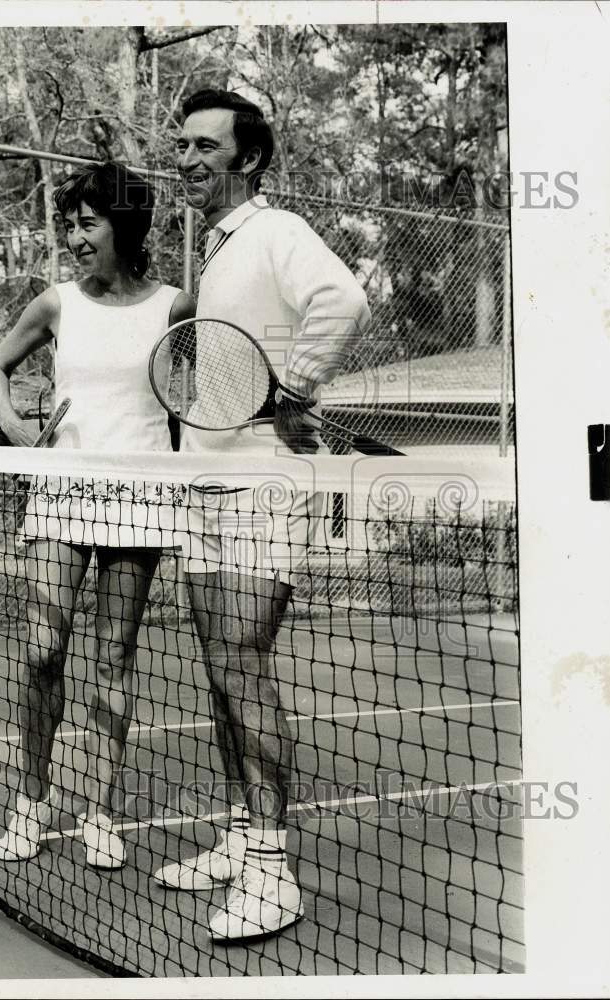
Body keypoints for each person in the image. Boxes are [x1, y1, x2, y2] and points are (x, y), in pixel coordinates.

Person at [152, 89, 372, 942]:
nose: (187, 158)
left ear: (245, 159)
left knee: (241, 664)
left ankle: (273, 870)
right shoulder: (213, 248)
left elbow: (343, 302)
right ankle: (242, 835)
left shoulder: (276, 231)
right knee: (217, 669)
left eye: (204, 146)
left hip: (262, 483)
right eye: (180, 145)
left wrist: (296, 388)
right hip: (204, 481)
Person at [0, 162, 195, 869]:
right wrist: (13, 425)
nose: (74, 237)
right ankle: (30, 802)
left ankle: (98, 810)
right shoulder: (55, 304)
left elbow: (210, 391)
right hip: (61, 492)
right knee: (43, 651)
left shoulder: (174, 305)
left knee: (113, 657)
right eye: (68, 224)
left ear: (125, 226)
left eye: (87, 222)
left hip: (141, 496)